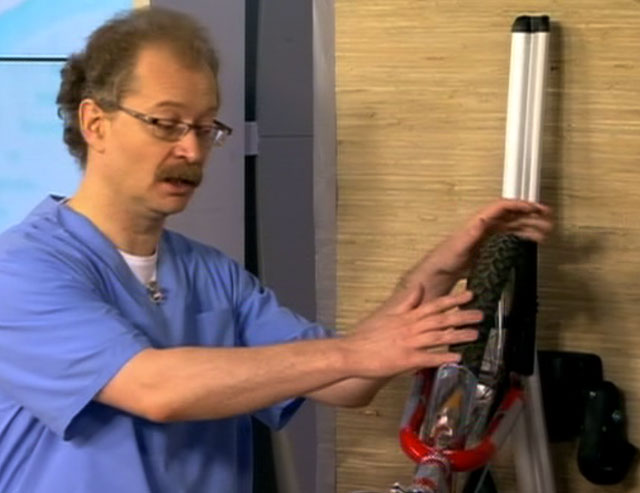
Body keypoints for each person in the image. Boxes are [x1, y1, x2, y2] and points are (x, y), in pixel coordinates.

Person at [0, 6, 552, 493]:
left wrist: (441, 269)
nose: (191, 149)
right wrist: (355, 352)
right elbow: (154, 388)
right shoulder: (21, 269)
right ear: (95, 123)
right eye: (166, 123)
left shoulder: (212, 274)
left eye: (205, 128)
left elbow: (347, 382)